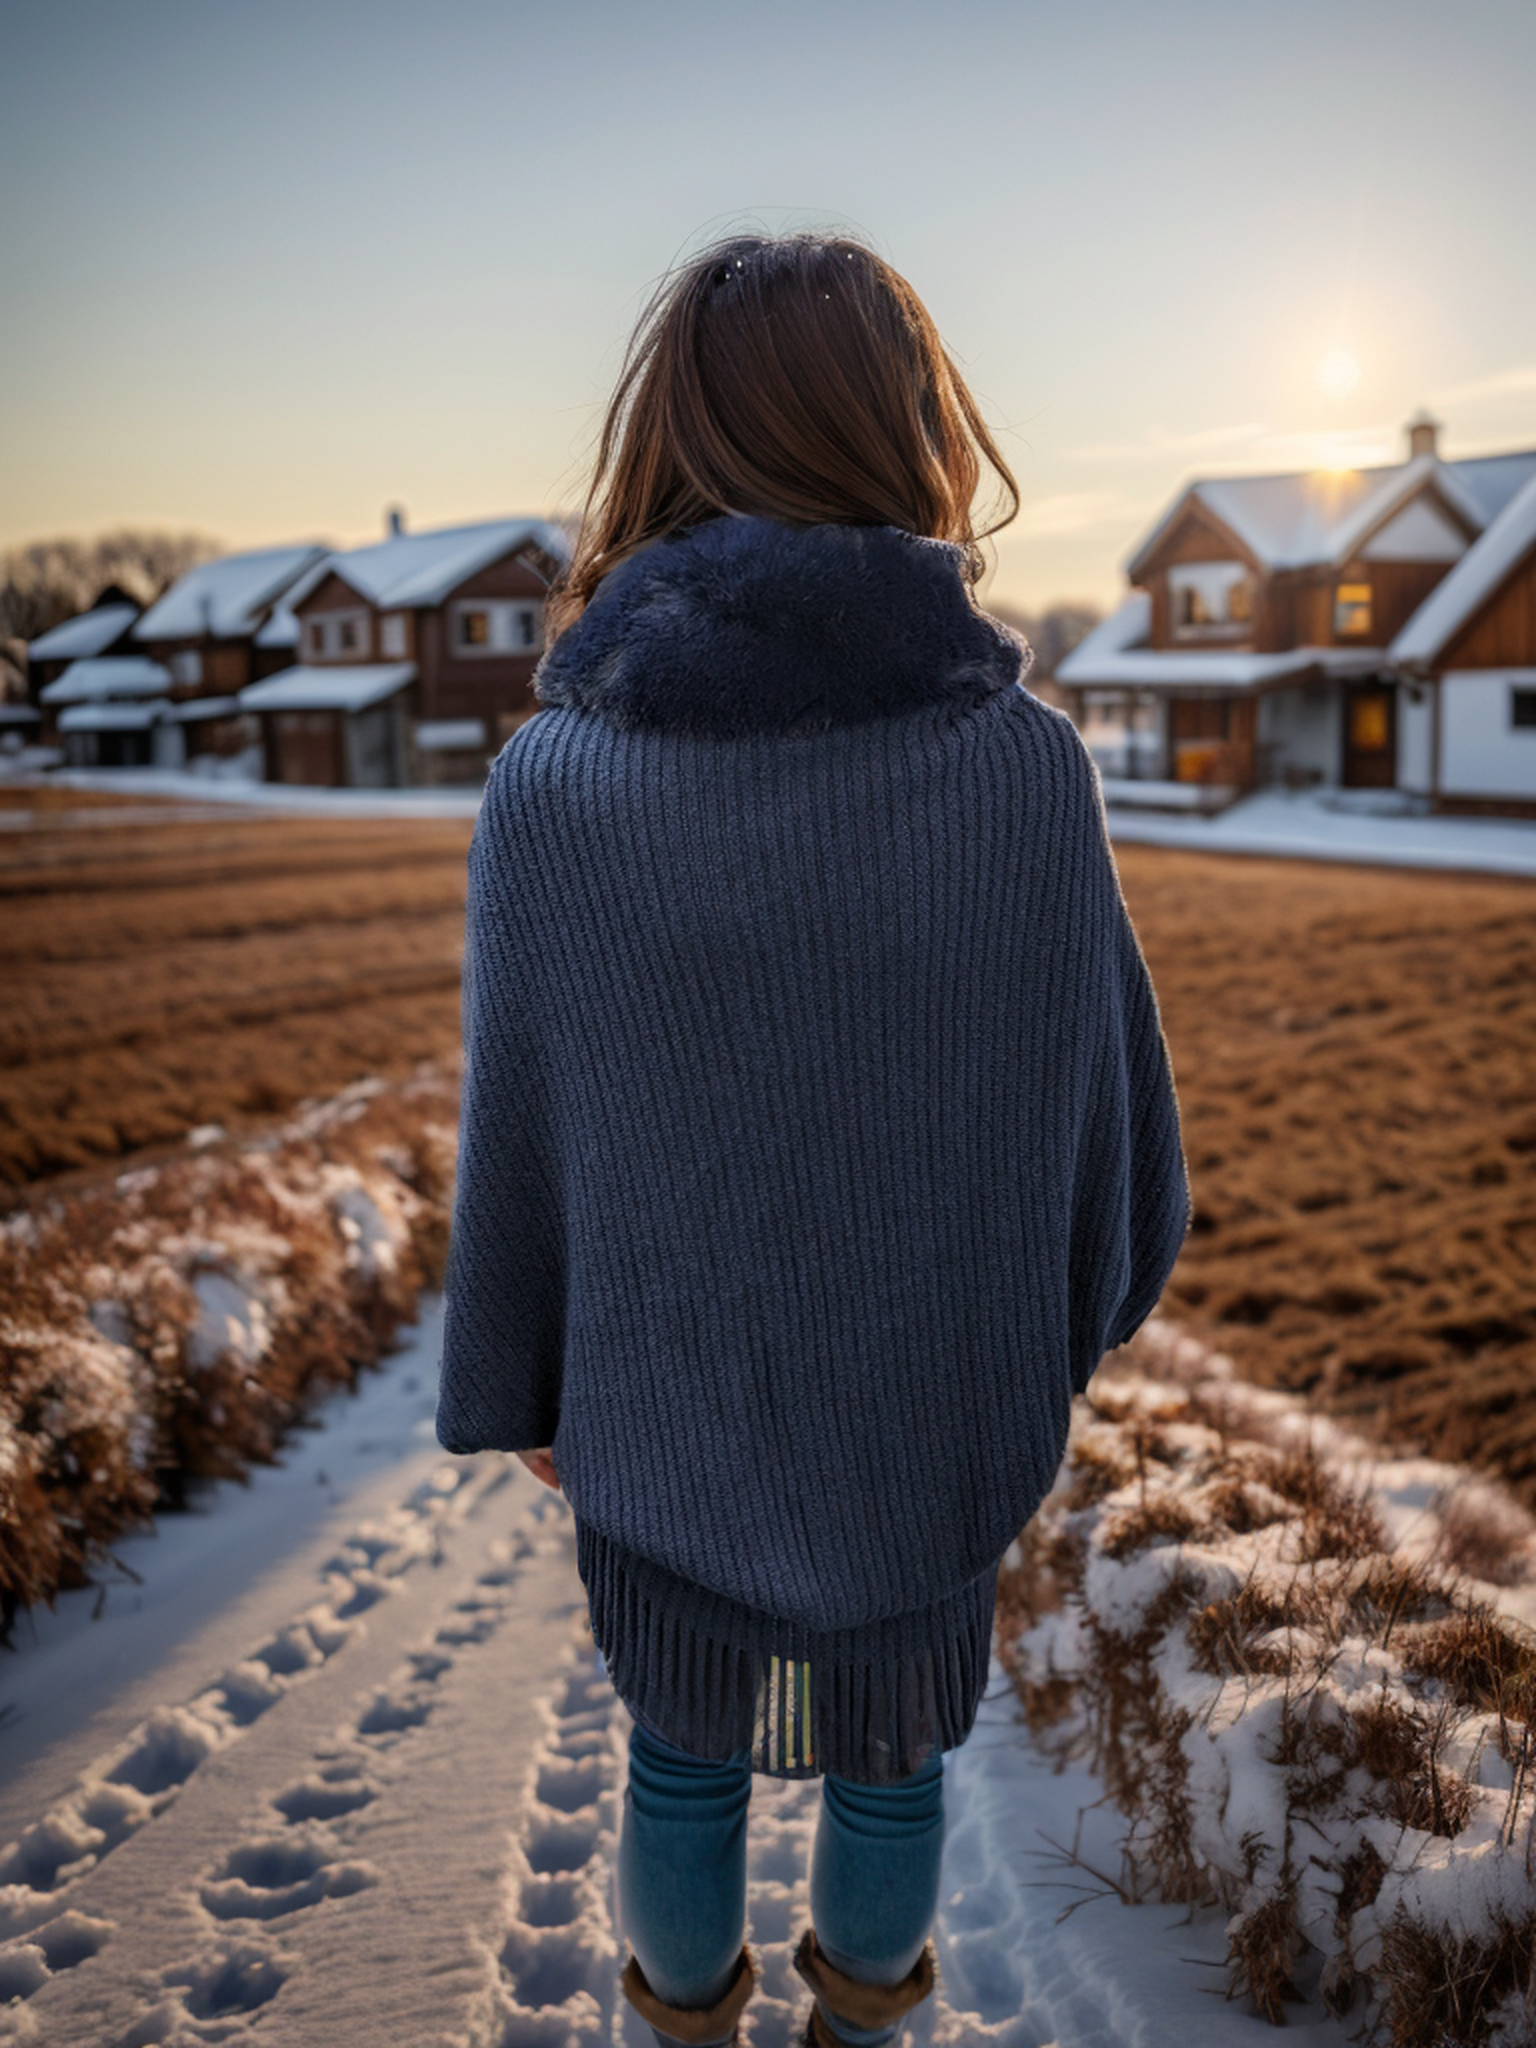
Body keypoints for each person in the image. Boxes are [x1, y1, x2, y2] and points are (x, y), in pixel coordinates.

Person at [435, 229, 1190, 2048]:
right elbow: (1113, 1136)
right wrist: (1053, 1328)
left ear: (666, 444)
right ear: (910, 430)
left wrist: (531, 1383)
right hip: (926, 1399)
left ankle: (677, 2027)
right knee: (890, 1763)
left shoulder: (557, 783)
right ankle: (869, 2025)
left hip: (666, 1398)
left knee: (682, 1766)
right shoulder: (1025, 768)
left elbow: (515, 1141)